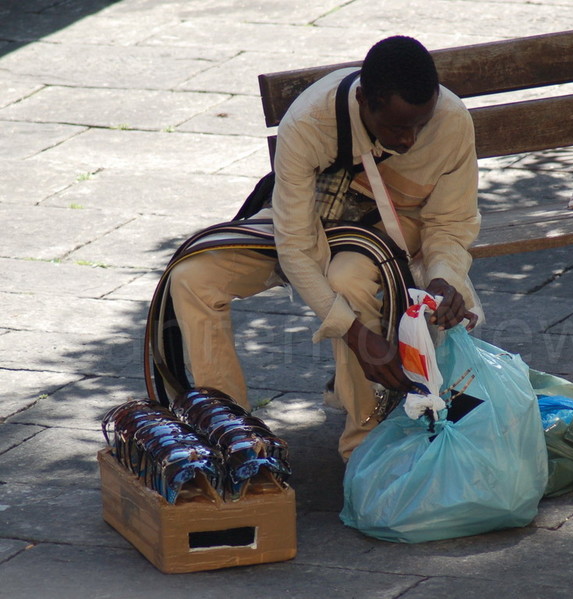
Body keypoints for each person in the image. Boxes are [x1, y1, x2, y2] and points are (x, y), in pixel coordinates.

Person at [170, 36, 482, 460]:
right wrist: (355, 334)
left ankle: (364, 442)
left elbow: (450, 221)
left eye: (419, 125)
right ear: (364, 100)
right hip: (312, 219)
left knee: (346, 278)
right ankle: (232, 434)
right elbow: (296, 246)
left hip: (395, 226)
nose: (409, 140)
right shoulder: (310, 123)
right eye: (396, 128)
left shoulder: (450, 119)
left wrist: (444, 274)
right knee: (192, 278)